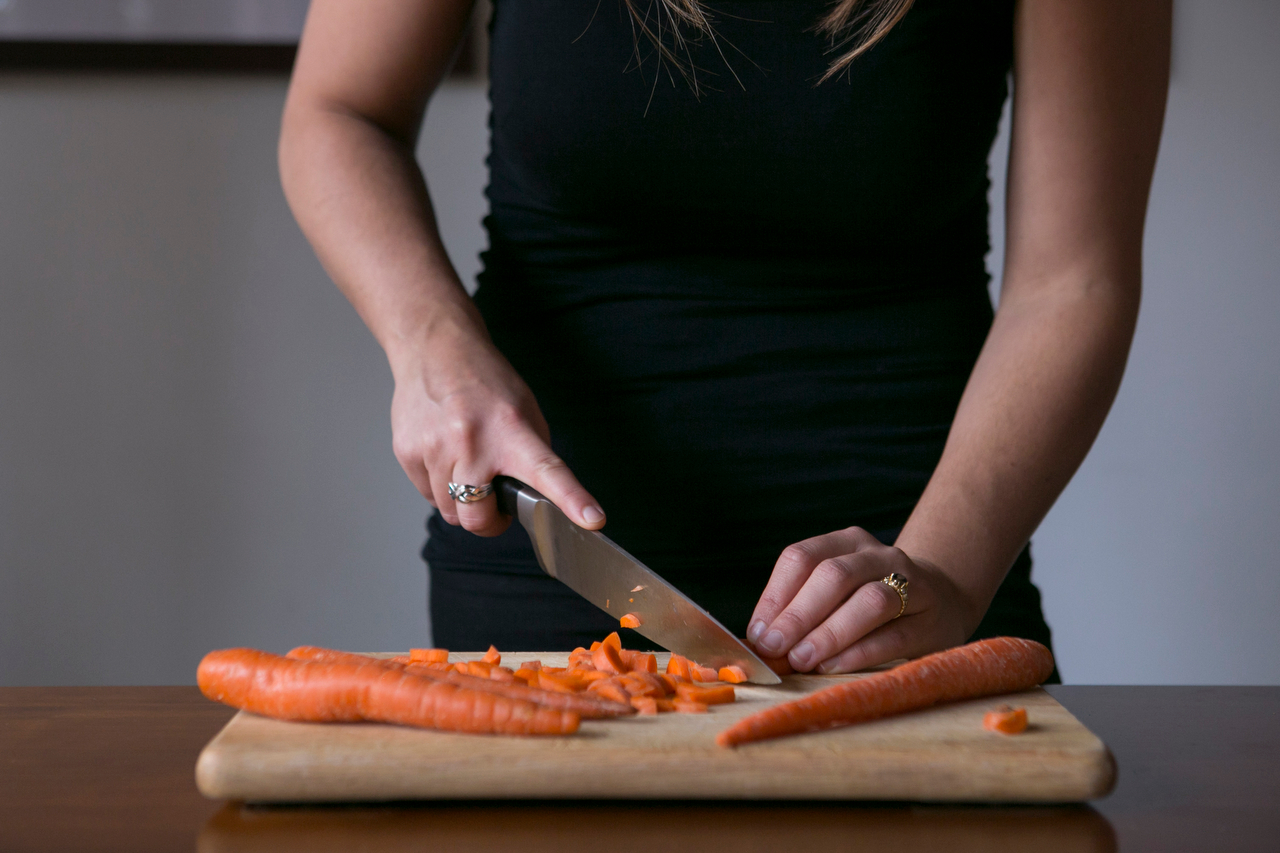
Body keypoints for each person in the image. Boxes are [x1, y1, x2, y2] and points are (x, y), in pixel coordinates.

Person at [279, 0, 1170, 677]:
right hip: (555, 566)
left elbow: (1073, 279)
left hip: (918, 574)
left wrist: (941, 569)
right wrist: (432, 347)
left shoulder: (931, 574)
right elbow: (338, 111)